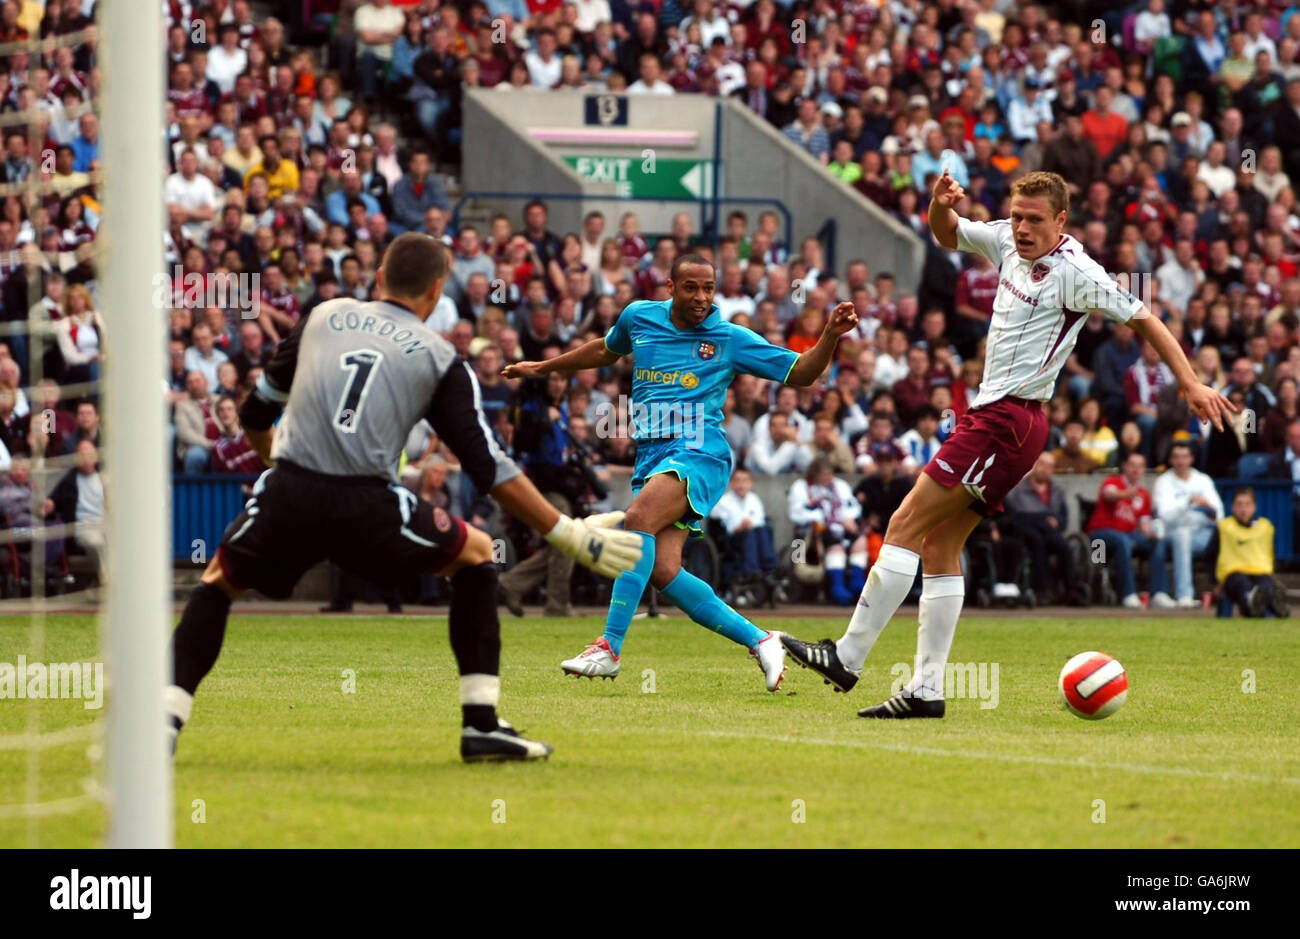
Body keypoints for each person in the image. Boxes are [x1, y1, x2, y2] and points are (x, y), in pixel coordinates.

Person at [165, 234, 643, 763]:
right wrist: (564, 530)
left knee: (217, 583)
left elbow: (256, 414)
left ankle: (164, 721)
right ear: (438, 290)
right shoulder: (442, 358)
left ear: (379, 276)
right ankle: (481, 725)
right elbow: (489, 467)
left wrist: (280, 465)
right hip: (368, 505)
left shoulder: (324, 316)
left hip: (291, 490)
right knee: (479, 554)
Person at [780, 170, 1233, 718]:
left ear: (1060, 221)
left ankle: (847, 658)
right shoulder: (1003, 239)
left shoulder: (1077, 272)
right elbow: (948, 234)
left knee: (903, 524)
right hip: (996, 418)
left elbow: (1147, 321)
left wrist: (1189, 381)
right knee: (940, 545)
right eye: (1017, 216)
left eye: (1034, 220)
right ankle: (925, 691)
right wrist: (938, 205)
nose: (1020, 228)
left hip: (1008, 420)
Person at [504, 253, 859, 690]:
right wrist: (542, 367)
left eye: (708, 288)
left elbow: (801, 373)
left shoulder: (728, 338)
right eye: (691, 287)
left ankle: (608, 648)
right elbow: (604, 349)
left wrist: (828, 335)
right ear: (670, 288)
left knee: (636, 521)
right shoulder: (639, 317)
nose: (701, 297)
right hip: (651, 455)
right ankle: (761, 639)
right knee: (664, 571)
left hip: (699, 450)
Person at [1086, 452, 1169, 609]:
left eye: (1140, 466)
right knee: (1122, 540)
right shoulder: (1113, 481)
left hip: (1129, 536)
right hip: (1100, 536)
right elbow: (1108, 494)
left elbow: (1144, 524)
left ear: (1144, 469)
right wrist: (1126, 494)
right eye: (1132, 465)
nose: (1136, 470)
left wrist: (1152, 533)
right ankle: (1128, 594)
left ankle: (1158, 593)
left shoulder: (1144, 495)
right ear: (1125, 466)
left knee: (1157, 542)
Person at [1150, 441, 1223, 608]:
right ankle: (1185, 596)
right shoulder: (1163, 481)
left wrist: (1210, 511)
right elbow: (1164, 516)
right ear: (1170, 460)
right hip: (1172, 532)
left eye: (1184, 457)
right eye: (1176, 457)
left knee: (1227, 535)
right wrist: (1187, 501)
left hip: (1201, 533)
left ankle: (1233, 592)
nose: (1180, 461)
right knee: (1183, 535)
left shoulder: (1203, 480)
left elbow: (1219, 513)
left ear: (1192, 458)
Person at [1004, 451, 1077, 605]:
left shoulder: (1057, 491)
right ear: (1035, 465)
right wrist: (1043, 518)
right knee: (1038, 543)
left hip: (1050, 531)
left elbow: (1063, 518)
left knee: (1065, 547)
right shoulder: (1018, 488)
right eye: (1042, 464)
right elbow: (1013, 515)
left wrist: (1056, 520)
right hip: (1026, 530)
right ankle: (1041, 590)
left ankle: (1071, 590)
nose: (1045, 469)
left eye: (1050, 466)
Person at [1212, 487, 1287, 618]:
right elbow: (1210, 555)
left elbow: (1271, 553)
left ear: (1255, 507)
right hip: (1233, 574)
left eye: (1247, 504)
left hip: (1260, 572)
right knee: (1243, 584)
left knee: (1266, 584)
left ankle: (1272, 604)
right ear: (1232, 507)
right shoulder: (1224, 527)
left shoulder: (1265, 527)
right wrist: (1215, 583)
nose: (1243, 509)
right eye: (1239, 504)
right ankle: (1253, 602)